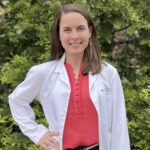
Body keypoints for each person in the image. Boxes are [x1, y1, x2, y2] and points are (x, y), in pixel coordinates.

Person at [8, 4, 131, 150]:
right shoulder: (43, 73)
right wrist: (38, 134)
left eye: (80, 28)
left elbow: (119, 124)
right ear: (58, 35)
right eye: (67, 30)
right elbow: (16, 100)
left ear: (90, 31)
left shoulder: (107, 73)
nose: (74, 36)